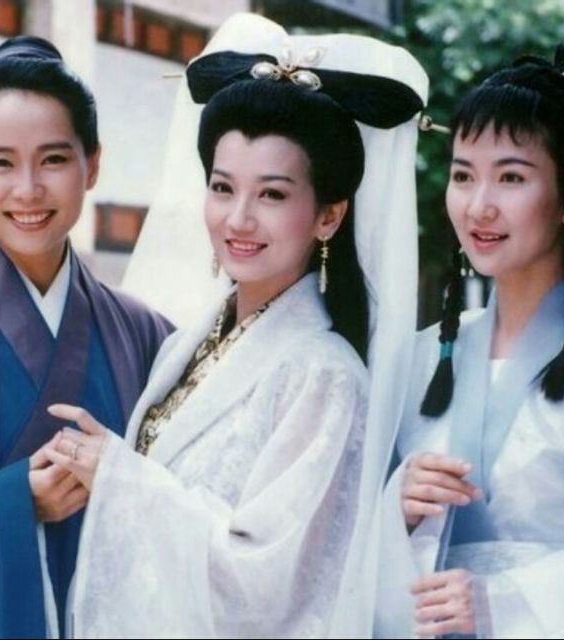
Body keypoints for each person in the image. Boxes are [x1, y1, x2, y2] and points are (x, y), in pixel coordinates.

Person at [42, 13, 428, 639]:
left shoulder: (325, 376)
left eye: (272, 194)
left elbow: (265, 586)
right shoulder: (187, 343)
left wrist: (116, 475)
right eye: (223, 188)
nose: (239, 219)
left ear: (328, 216)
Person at [0, 36, 172, 638]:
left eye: (54, 159)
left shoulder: (147, 334)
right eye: (1, 163)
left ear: (93, 165)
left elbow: (189, 504)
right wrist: (14, 504)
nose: (29, 189)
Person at [376, 49, 564, 639]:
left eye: (511, 177)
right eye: (463, 176)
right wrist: (397, 510)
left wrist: (502, 603)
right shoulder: (423, 357)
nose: (479, 206)